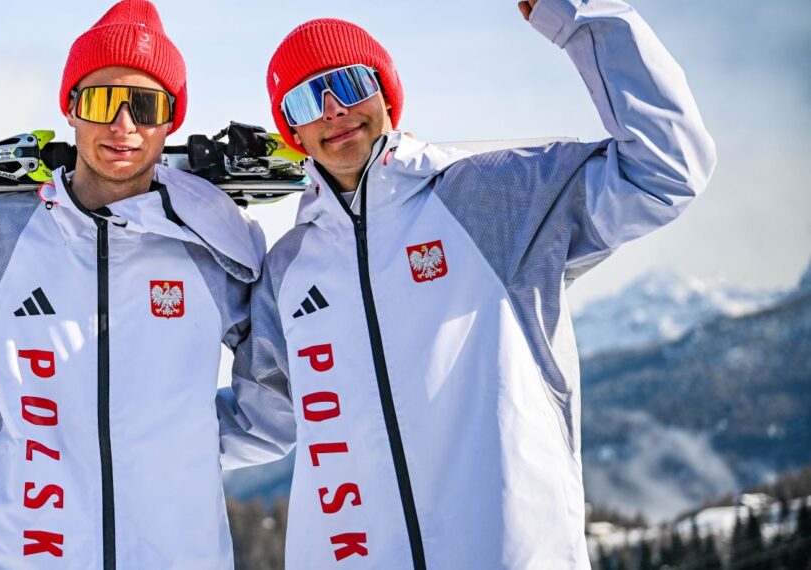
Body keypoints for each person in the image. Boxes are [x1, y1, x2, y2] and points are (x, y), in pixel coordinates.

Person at [238, 0, 716, 567]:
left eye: (349, 81)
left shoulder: (491, 196)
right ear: (292, 129)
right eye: (307, 99)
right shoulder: (288, 268)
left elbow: (667, 168)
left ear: (385, 92)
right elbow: (257, 419)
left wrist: (581, 16)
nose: (335, 109)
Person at [0, 1, 289, 567]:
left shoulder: (214, 243)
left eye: (145, 105)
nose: (122, 125)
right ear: (70, 107)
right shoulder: (1, 234)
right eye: (100, 100)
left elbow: (276, 406)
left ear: (171, 120)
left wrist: (177, 442)